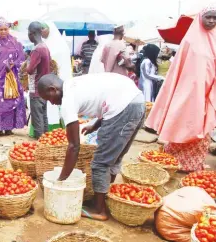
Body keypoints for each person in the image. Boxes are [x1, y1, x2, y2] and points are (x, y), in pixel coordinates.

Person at [38, 73, 145, 221]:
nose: (52, 103)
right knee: (115, 155)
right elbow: (106, 96)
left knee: (100, 162)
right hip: (137, 101)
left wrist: (61, 179)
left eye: (48, 98)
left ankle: (99, 209)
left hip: (123, 108)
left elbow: (74, 146)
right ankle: (104, 196)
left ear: (53, 89)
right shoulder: (74, 83)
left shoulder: (68, 100)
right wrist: (95, 125)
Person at [146, 6, 216, 172]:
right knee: (182, 125)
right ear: (200, 18)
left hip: (208, 94)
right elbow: (178, 70)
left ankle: (194, 164)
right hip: (187, 94)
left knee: (202, 131)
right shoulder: (189, 41)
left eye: (215, 18)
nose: (212, 21)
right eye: (208, 17)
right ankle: (175, 163)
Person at [26, 21, 51, 139]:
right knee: (44, 116)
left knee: (37, 120)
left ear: (32, 34)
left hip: (36, 89)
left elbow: (30, 70)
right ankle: (46, 142)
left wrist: (27, 63)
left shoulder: (37, 50)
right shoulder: (45, 47)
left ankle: (40, 143)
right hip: (45, 88)